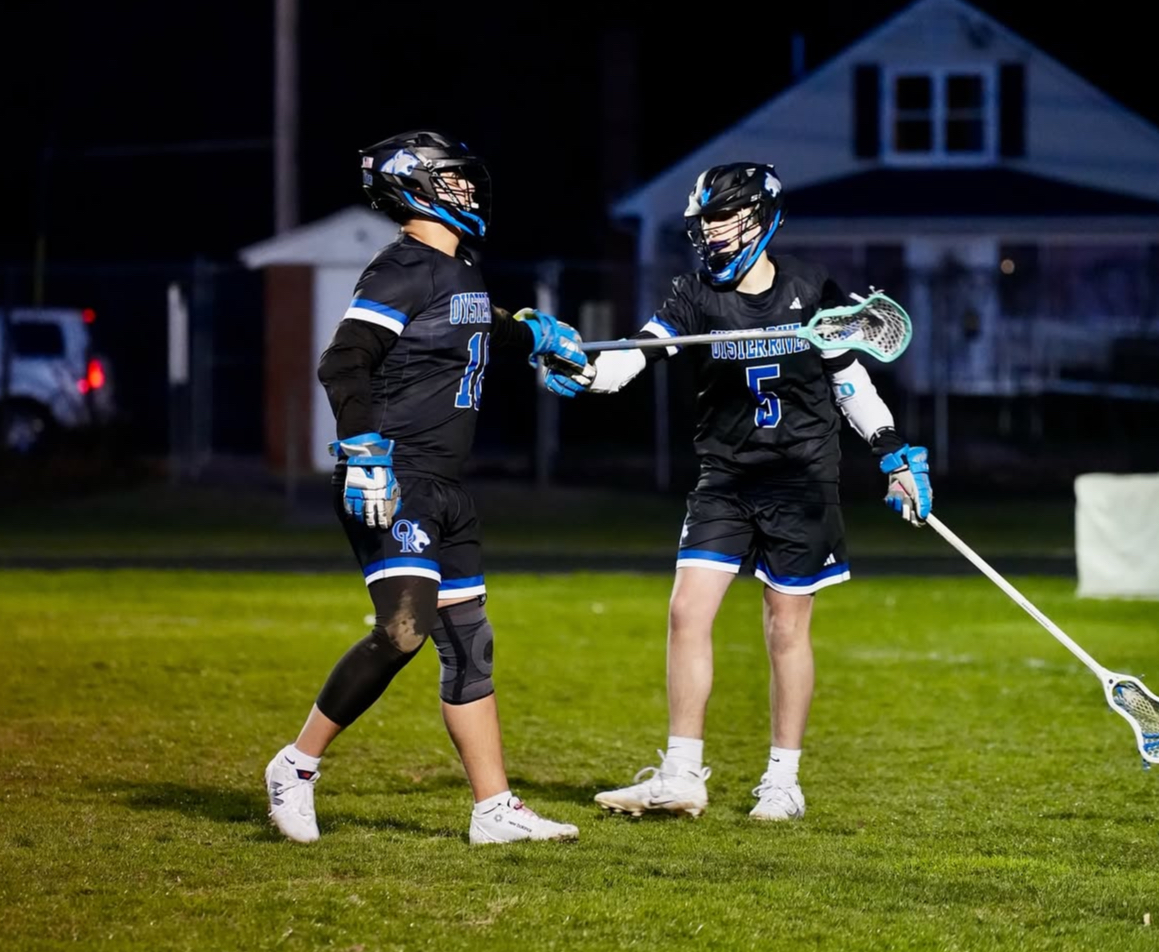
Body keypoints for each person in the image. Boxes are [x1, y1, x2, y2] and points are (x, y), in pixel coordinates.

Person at [546, 162, 932, 820]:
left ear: (760, 217)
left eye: (722, 218)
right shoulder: (692, 295)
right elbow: (629, 360)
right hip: (724, 479)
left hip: (800, 479)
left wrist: (892, 450)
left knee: (786, 628)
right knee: (686, 613)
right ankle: (680, 774)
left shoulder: (811, 288)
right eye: (704, 222)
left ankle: (782, 782)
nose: (710, 233)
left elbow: (849, 382)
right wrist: (581, 370)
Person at [264, 130, 588, 845]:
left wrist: (533, 334)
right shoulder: (401, 268)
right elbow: (343, 362)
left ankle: (493, 809)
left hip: (444, 483)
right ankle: (295, 766)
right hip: (393, 475)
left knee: (469, 645)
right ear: (413, 186)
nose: (469, 189)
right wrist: (364, 450)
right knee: (402, 630)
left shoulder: (459, 268)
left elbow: (471, 324)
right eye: (454, 179)